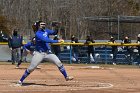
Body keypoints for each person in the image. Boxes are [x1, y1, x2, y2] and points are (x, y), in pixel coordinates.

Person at [17, 21, 73, 85]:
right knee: (31, 68)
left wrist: (56, 27)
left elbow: (54, 32)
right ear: (38, 26)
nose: (43, 25)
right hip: (39, 53)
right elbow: (46, 40)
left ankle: (66, 77)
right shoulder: (38, 34)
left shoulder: (46, 31)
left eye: (44, 24)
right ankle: (20, 81)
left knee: (58, 62)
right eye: (41, 24)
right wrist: (57, 41)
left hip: (48, 52)